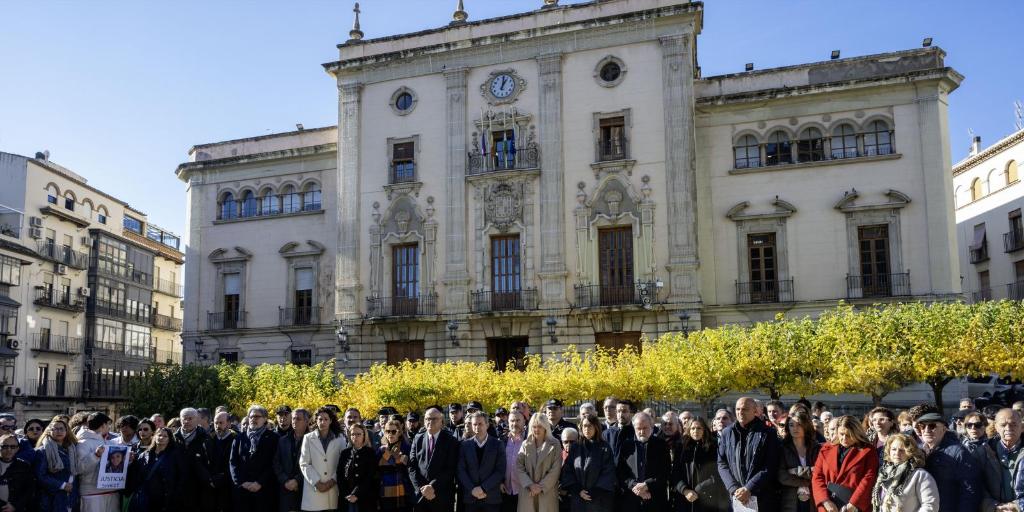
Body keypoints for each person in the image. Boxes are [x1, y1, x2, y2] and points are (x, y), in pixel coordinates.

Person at [912, 405, 981, 511]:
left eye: (932, 426)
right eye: (922, 426)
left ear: (944, 429)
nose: (926, 430)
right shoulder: (919, 451)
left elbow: (970, 491)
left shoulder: (958, 452)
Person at [717, 397, 781, 512]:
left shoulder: (768, 433)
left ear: (755, 411)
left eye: (745, 409)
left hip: (761, 497)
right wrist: (733, 488)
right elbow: (722, 463)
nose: (740, 412)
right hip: (736, 497)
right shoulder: (727, 433)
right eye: (737, 409)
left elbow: (771, 464)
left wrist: (749, 488)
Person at [810, 415, 878, 512]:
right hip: (828, 506)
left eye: (849, 435)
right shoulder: (826, 448)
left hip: (853, 507)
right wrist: (825, 501)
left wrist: (854, 504)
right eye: (841, 434)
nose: (844, 438)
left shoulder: (868, 451)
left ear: (856, 433)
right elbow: (817, 476)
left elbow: (868, 479)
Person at [229, 405, 280, 512]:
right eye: (251, 417)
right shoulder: (239, 438)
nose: (253, 419)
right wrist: (241, 482)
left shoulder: (273, 438)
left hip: (263, 490)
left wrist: (260, 482)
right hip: (243, 490)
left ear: (265, 419)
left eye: (257, 416)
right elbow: (233, 462)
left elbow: (274, 463)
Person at [616, 412, 670, 512]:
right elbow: (621, 472)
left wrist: (647, 485)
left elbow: (665, 471)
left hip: (655, 499)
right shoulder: (626, 446)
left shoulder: (661, 445)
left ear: (652, 426)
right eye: (638, 429)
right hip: (631, 501)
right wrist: (635, 487)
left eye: (645, 428)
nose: (641, 432)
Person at [409, 407, 460, 511]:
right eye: (428, 419)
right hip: (421, 495)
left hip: (442, 495)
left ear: (442, 421)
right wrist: (422, 488)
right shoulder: (418, 439)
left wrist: (432, 487)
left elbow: (451, 468)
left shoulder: (451, 441)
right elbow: (412, 466)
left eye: (434, 419)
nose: (430, 421)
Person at [560, 414, 615, 512]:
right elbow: (568, 470)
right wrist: (578, 490)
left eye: (590, 425)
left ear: (596, 427)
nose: (587, 429)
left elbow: (608, 472)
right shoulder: (576, 447)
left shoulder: (605, 448)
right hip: (578, 500)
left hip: (599, 500)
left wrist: (593, 492)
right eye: (584, 426)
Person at [871, 433, 939, 512]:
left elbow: (930, 505)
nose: (897, 453)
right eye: (893, 449)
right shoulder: (884, 474)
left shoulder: (920, 475)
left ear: (910, 452)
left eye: (902, 450)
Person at [673, 416, 728, 512]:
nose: (695, 431)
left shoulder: (713, 447)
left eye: (699, 428)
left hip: (707, 497)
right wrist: (684, 490)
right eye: (693, 428)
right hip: (684, 498)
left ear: (704, 430)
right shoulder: (681, 447)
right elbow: (675, 472)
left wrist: (699, 489)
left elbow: (717, 473)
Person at [457, 411, 506, 512]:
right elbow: (461, 470)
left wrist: (483, 488)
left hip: (491, 497)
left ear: (487, 425)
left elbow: (500, 471)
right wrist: (472, 489)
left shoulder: (497, 444)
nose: (477, 427)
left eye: (480, 424)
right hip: (471, 497)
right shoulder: (465, 445)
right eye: (474, 424)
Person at [299, 407, 345, 512]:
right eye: (320, 419)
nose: (322, 422)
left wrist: (332, 481)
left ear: (331, 421)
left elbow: (342, 463)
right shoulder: (308, 438)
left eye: (326, 419)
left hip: (333, 489)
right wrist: (317, 483)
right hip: (314, 489)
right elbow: (304, 463)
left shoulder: (340, 438)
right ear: (316, 420)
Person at [514, 413, 561, 512]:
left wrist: (541, 486)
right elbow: (519, 466)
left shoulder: (555, 444)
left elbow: (556, 469)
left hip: (546, 492)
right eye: (534, 427)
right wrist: (530, 485)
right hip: (528, 492)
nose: (536, 429)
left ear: (545, 427)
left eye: (540, 426)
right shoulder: (525, 444)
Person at [127, 427, 179, 512]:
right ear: (154, 436)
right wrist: (131, 462)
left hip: (162, 500)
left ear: (169, 439)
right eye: (159, 435)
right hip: (143, 498)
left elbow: (178, 479)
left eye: (165, 436)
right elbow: (135, 476)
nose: (161, 438)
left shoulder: (174, 457)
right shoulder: (144, 455)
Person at [778, 411, 820, 512]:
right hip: (790, 500)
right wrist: (804, 482)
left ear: (806, 426)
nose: (795, 428)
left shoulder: (815, 447)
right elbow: (781, 476)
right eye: (791, 425)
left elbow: (819, 471)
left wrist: (796, 471)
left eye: (799, 425)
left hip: (813, 498)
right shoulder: (782, 448)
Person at [77, 412, 119, 512]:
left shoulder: (109, 442)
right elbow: (79, 468)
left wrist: (127, 460)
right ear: (103, 425)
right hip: (92, 493)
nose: (109, 427)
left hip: (112, 490)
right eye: (108, 424)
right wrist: (95, 455)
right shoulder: (83, 443)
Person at [176, 407, 216, 511]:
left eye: (190, 418)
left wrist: (209, 480)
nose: (186, 421)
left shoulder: (206, 438)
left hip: (199, 490)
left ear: (197, 419)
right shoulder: (173, 439)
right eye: (184, 418)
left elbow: (212, 463)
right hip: (177, 489)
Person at [35, 418, 78, 512]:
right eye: (55, 429)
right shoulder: (43, 451)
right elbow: (41, 476)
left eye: (61, 428)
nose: (59, 431)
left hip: (71, 497)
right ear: (49, 431)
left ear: (66, 431)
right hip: (52, 498)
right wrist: (62, 485)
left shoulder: (72, 448)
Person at [984, 408, 1024, 511]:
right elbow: (977, 487)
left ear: (1022, 427)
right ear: (996, 427)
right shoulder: (983, 453)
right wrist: (994, 507)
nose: (1008, 428)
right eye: (1003, 425)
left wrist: (1018, 506)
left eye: (1013, 424)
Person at [274, 408, 310, 512]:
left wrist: (297, 481)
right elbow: (276, 463)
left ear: (306, 421)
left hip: (304, 490)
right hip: (285, 489)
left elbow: (312, 464)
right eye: (293, 418)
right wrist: (285, 481)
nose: (294, 421)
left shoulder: (313, 440)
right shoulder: (282, 440)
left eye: (298, 419)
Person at [337, 422, 378, 512]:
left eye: (358, 434)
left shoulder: (370, 453)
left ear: (364, 435)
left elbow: (369, 476)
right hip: (346, 498)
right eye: (353, 434)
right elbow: (339, 475)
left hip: (365, 497)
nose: (355, 437)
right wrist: (346, 494)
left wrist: (356, 494)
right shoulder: (345, 453)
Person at [378, 418, 414, 511]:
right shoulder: (380, 450)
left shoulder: (406, 447)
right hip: (385, 491)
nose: (390, 434)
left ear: (399, 432)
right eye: (387, 431)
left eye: (393, 431)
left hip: (403, 491)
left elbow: (411, 467)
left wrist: (404, 460)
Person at [210, 412, 237, 512]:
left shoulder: (236, 439)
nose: (218, 426)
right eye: (215, 423)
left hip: (229, 486)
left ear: (229, 424)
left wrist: (222, 477)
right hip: (211, 485)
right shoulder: (210, 439)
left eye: (221, 423)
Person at [0, 433, 33, 512]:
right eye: (5, 446)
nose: (9, 449)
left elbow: (29, 490)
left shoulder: (24, 466)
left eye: (13, 447)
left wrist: (15, 505)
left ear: (17, 449)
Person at [502, 411, 527, 512]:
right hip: (505, 490)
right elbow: (497, 464)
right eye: (512, 420)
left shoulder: (529, 441)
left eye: (518, 420)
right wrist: (500, 482)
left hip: (524, 491)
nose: (514, 423)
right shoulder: (502, 441)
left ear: (524, 422)